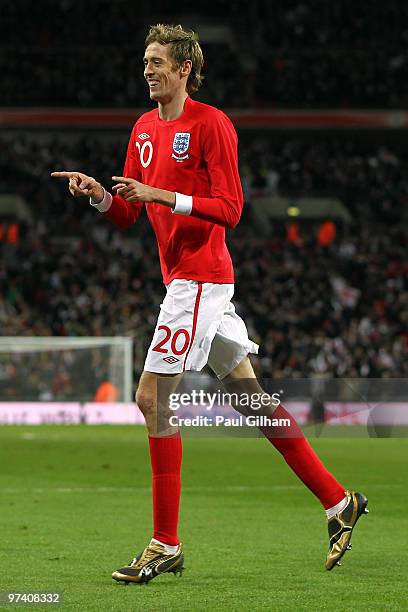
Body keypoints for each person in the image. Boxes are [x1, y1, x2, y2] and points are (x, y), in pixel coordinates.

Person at [51, 23, 368, 583]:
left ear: (184, 69)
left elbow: (231, 207)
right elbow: (129, 213)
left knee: (152, 399)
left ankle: (165, 543)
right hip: (187, 279)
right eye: (144, 60)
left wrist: (162, 194)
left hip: (199, 279)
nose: (147, 69)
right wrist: (100, 195)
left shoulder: (211, 123)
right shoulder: (144, 128)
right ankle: (339, 502)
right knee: (254, 402)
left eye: (156, 62)